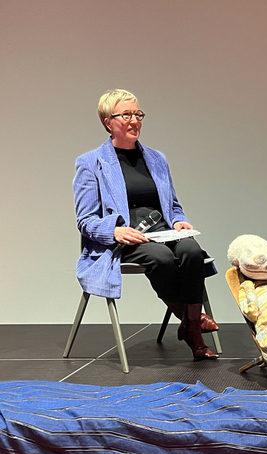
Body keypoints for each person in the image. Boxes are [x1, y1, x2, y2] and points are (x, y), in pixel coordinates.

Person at [73, 89, 219, 360]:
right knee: (162, 259)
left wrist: (179, 221)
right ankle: (194, 328)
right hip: (127, 238)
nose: (134, 120)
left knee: (192, 252)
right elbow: (85, 220)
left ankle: (189, 326)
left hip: (163, 231)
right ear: (108, 122)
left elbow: (172, 204)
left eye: (137, 114)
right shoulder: (91, 163)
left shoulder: (156, 159)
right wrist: (114, 231)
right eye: (126, 114)